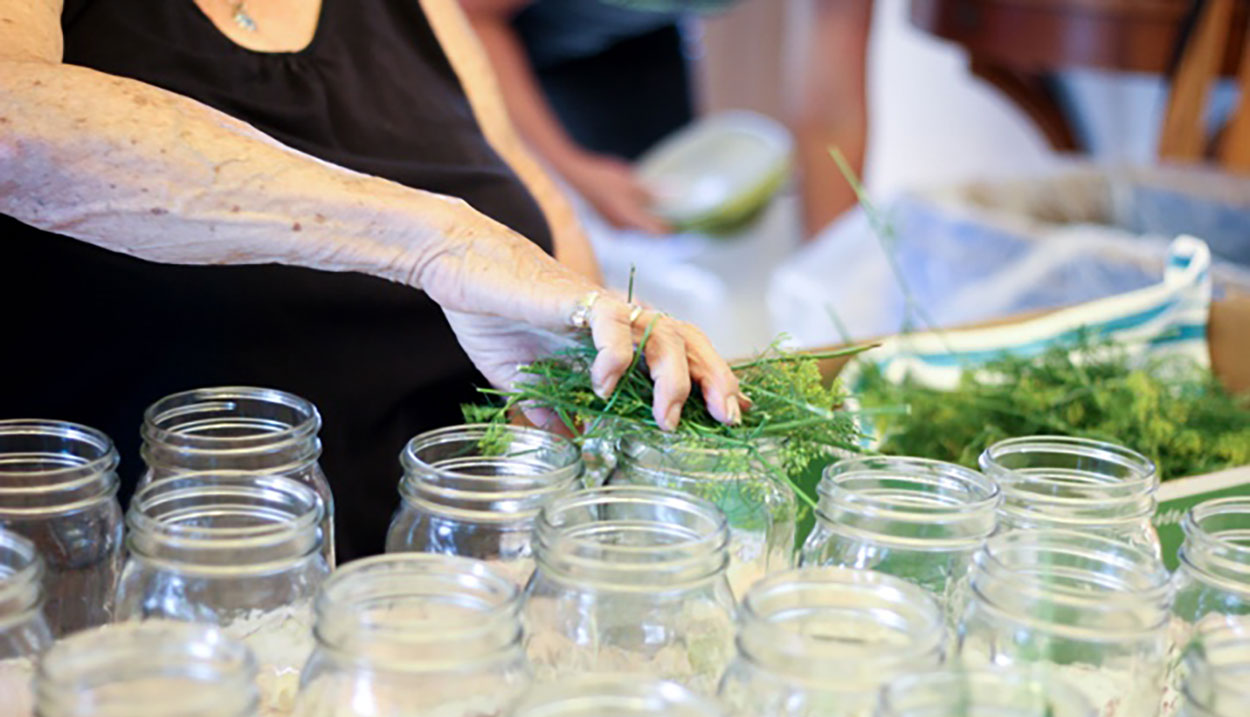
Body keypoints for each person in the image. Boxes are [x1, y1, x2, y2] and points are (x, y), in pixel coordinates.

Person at [0, 0, 743, 562]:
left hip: (448, 599)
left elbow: (535, 214)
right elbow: (17, 123)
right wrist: (439, 243)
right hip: (158, 615)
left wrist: (595, 356)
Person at [463, 0, 874, 238]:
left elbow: (833, 114)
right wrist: (569, 167)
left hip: (629, 31)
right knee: (524, 226)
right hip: (477, 25)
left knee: (651, 221)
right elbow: (468, 14)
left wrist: (827, 266)